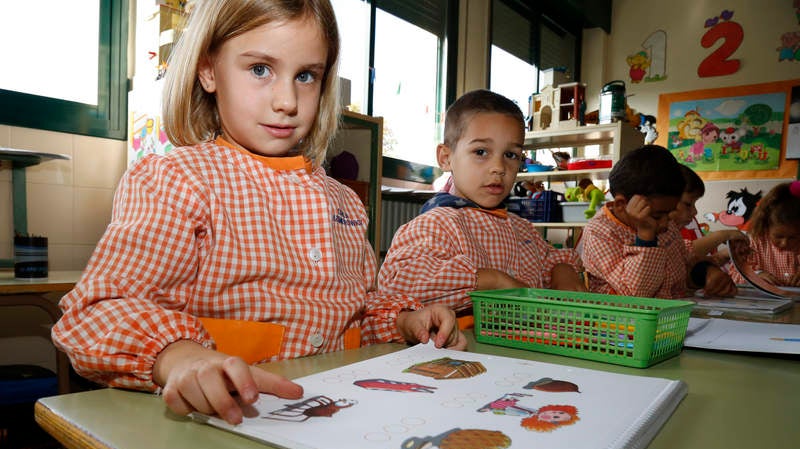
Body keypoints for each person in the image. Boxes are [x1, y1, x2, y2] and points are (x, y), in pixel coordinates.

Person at [51, 0, 465, 426]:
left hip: (336, 423)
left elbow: (356, 310)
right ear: (209, 70)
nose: (287, 100)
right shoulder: (178, 181)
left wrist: (404, 319)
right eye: (260, 69)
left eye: (306, 76)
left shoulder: (345, 202)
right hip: (216, 438)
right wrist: (179, 358)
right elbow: (95, 313)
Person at [378, 89, 585, 317]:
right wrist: (491, 281)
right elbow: (399, 283)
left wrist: (563, 271)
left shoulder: (521, 228)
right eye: (481, 151)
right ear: (446, 158)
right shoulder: (436, 224)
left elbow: (549, 258)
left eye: (511, 155)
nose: (498, 167)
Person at [580, 145, 737, 298]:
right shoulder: (599, 232)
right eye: (657, 217)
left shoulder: (665, 223)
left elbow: (678, 273)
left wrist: (705, 275)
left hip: (671, 316)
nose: (665, 224)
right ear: (622, 205)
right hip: (624, 322)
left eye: (670, 214)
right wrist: (646, 236)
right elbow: (637, 293)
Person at [728, 181, 800, 287]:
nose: (784, 243)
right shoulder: (755, 242)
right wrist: (756, 276)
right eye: (778, 236)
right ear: (766, 227)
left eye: (793, 237)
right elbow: (734, 274)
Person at [671, 163, 745, 264]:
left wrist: (720, 256)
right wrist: (722, 235)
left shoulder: (678, 227)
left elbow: (687, 261)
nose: (695, 212)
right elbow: (681, 253)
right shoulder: (659, 236)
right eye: (688, 204)